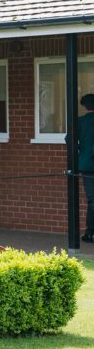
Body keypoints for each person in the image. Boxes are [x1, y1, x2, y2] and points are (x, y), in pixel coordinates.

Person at [79, 94, 94, 243]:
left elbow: (68, 139)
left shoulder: (81, 121)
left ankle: (89, 233)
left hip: (87, 164)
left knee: (92, 199)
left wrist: (82, 149)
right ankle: (89, 232)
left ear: (84, 106)